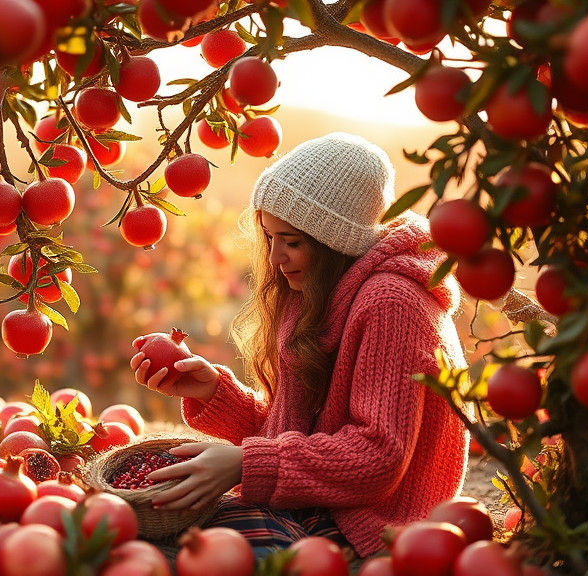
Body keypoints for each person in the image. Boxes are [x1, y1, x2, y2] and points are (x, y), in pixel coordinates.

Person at [129, 133, 469, 558]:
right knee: (164, 529)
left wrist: (242, 463)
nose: (274, 258)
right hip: (327, 508)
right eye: (269, 238)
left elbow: (376, 457)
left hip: (374, 525)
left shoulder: (392, 304)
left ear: (337, 243)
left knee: (185, 548)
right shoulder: (315, 293)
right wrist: (216, 393)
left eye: (291, 242)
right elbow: (298, 436)